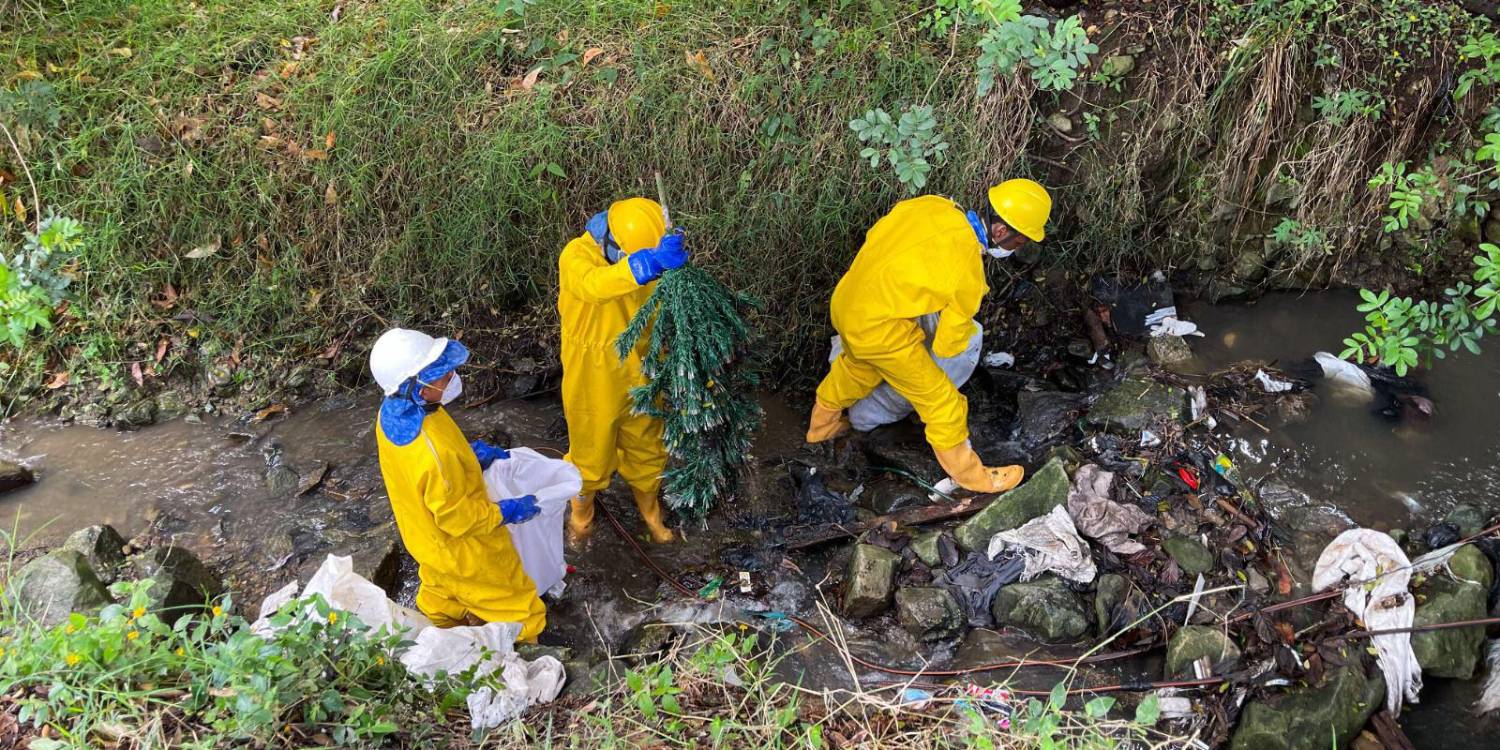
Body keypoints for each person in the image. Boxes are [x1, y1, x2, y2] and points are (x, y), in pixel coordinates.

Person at [806, 179, 1053, 494]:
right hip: (882, 329)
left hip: (848, 303)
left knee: (857, 367)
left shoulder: (933, 205)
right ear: (1002, 231)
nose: (1016, 249)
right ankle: (973, 478)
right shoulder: (968, 270)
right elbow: (948, 345)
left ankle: (820, 430)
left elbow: (879, 234)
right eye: (1019, 243)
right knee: (942, 402)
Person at [369, 328, 547, 639]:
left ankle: (443, 632)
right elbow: (457, 518)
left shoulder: (394, 414)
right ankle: (528, 651)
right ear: (419, 388)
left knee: (440, 595)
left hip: (426, 542)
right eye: (441, 375)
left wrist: (467, 457)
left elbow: (417, 478)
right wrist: (505, 512)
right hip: (465, 553)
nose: (451, 376)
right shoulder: (433, 455)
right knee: (518, 605)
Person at [558, 197, 687, 544]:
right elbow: (596, 286)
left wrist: (666, 264)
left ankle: (650, 511)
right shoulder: (576, 256)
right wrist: (645, 264)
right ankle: (582, 512)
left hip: (641, 366)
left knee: (648, 444)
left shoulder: (650, 261)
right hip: (592, 374)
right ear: (612, 242)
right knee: (590, 453)